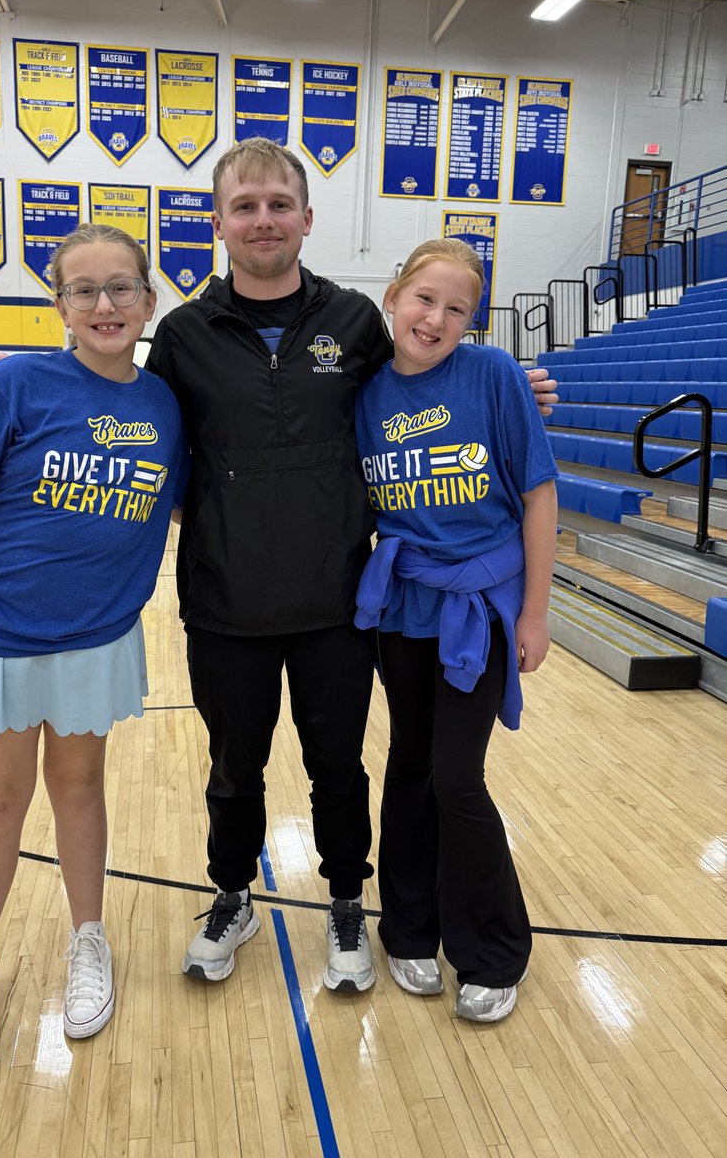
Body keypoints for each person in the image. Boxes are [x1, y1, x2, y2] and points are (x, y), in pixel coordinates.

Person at [144, 138, 558, 993]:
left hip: (340, 605)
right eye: (246, 205)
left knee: (345, 769)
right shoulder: (182, 335)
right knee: (232, 768)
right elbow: (153, 445)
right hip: (224, 603)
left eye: (279, 203)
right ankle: (233, 894)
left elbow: (426, 381)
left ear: (306, 217)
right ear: (218, 221)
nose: (264, 219)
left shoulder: (353, 322)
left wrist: (515, 388)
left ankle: (345, 902)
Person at [0, 223, 188, 1070]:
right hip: (1, 639)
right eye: (85, 290)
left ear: (149, 301)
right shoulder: (15, 385)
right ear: (60, 306)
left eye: (122, 288)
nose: (105, 304)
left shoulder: (163, 408)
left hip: (97, 639)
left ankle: (88, 940)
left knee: (80, 788)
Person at [353, 238, 558, 1022]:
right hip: (404, 607)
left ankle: (494, 949)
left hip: (481, 606)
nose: (435, 318)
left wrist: (536, 612)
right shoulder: (364, 394)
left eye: (456, 308)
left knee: (458, 776)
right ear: (394, 299)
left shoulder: (497, 377)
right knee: (409, 764)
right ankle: (407, 930)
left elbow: (540, 496)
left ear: (472, 321)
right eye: (423, 299)